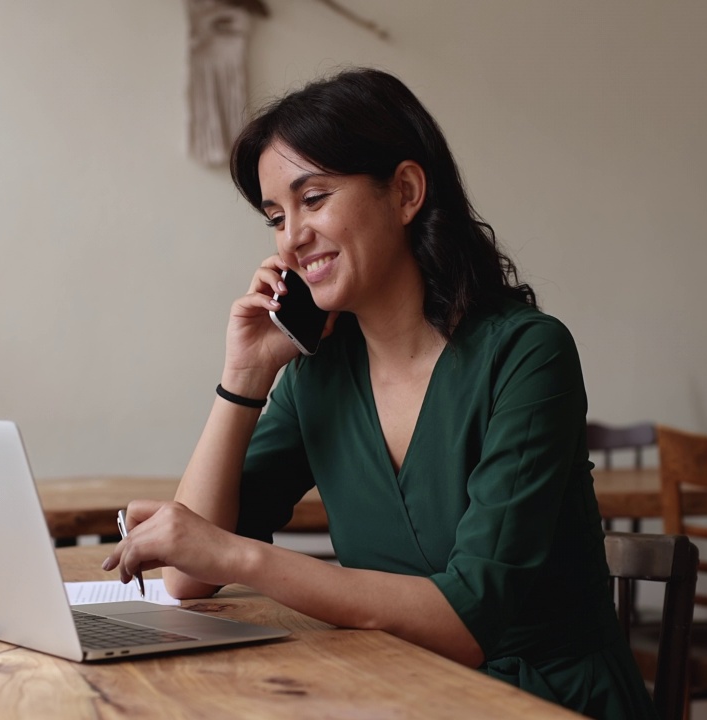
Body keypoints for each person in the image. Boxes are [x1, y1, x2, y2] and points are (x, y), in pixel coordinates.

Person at [102, 68, 657, 718]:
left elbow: (465, 622)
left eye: (314, 199)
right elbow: (187, 576)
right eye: (276, 216)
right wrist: (246, 376)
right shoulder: (320, 374)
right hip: (399, 693)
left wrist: (236, 555)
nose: (291, 237)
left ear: (404, 191)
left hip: (542, 700)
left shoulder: (527, 355)